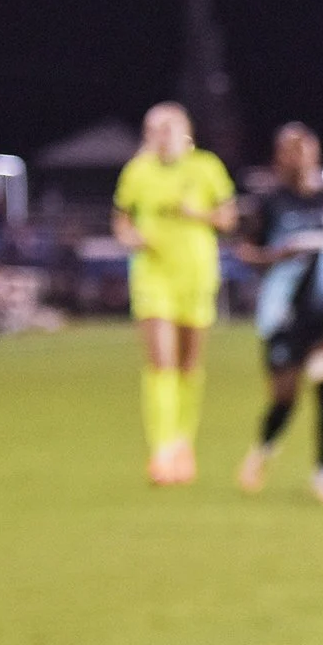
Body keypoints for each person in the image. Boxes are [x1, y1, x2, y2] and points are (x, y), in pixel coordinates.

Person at [113, 102, 236, 485]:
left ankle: (184, 444)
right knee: (160, 362)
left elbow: (228, 218)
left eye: (170, 128)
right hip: (154, 275)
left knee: (188, 365)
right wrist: (131, 237)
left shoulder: (206, 168)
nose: (163, 136)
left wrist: (195, 214)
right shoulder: (137, 171)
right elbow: (121, 218)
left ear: (186, 132)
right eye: (156, 129)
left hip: (197, 275)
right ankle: (162, 450)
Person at [235, 122, 323, 505]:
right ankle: (261, 452)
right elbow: (246, 252)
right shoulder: (270, 203)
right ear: (279, 156)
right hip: (282, 312)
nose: (299, 157)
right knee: (285, 397)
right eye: (291, 150)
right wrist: (276, 255)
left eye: (305, 149)